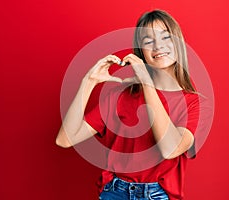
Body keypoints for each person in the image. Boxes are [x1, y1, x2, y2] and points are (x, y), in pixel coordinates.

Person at [56, 10, 200, 200]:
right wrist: (89, 81)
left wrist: (146, 82)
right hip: (115, 192)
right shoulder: (120, 96)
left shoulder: (192, 102)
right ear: (141, 52)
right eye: (149, 41)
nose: (158, 46)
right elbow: (65, 139)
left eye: (166, 37)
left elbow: (170, 149)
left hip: (159, 195)